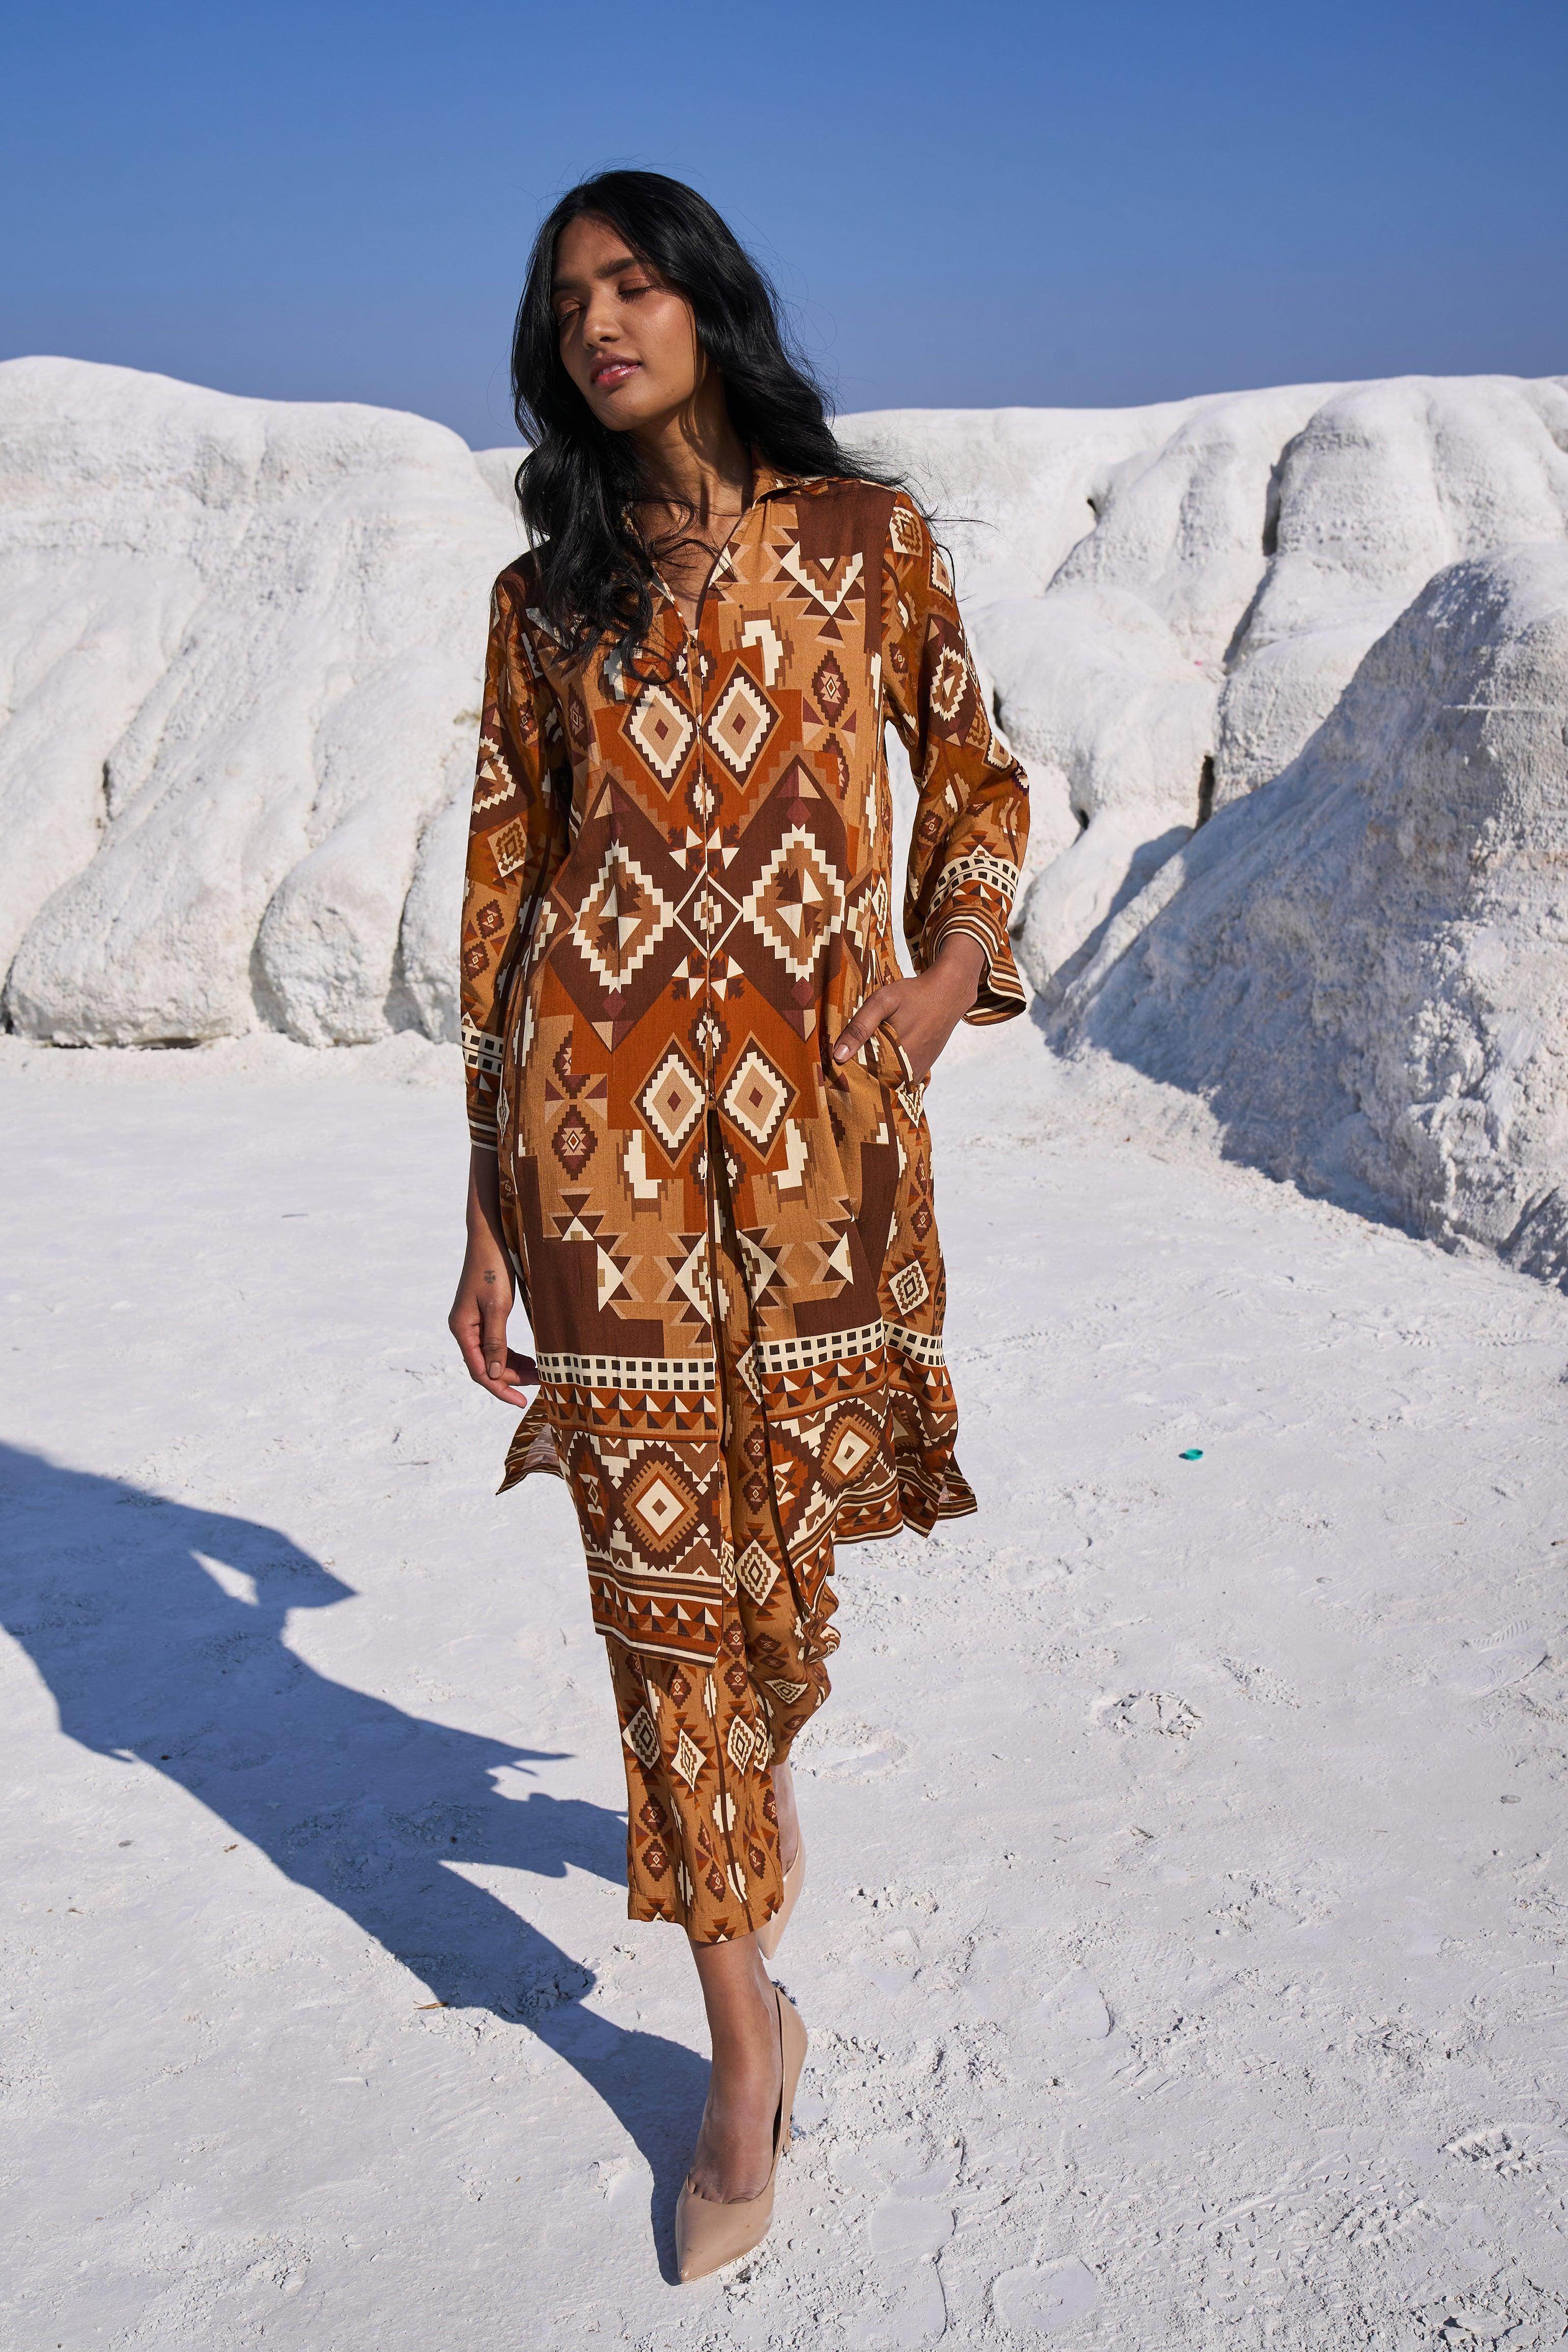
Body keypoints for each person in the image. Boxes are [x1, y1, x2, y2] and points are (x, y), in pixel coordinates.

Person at [449, 170, 1028, 2278]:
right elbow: (504, 912)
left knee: (770, 1587)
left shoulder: (867, 544)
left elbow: (977, 785)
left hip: (816, 1164)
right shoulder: (543, 603)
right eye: (568, 303)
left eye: (633, 285)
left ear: (706, 304)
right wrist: (488, 1207)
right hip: (595, 1165)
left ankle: (738, 1845)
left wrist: (945, 975)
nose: (600, 324)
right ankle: (734, 2048)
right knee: (658, 1602)